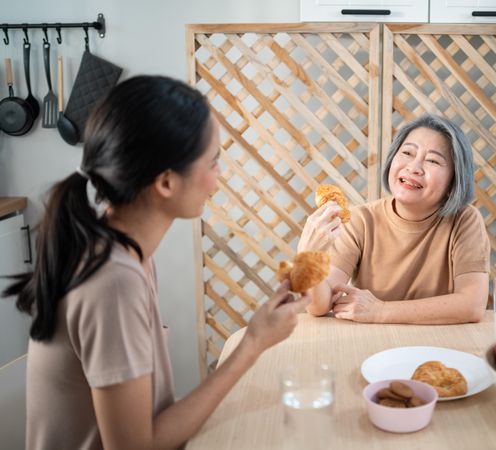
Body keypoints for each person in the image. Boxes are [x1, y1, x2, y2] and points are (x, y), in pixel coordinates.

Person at [2, 76, 309, 450]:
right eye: (213, 162)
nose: (219, 177)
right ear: (165, 182)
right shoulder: (113, 281)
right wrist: (252, 345)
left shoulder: (123, 252)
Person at [297, 114, 490, 324]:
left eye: (433, 160)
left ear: (455, 179)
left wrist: (381, 311)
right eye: (407, 153)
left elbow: (472, 305)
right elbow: (318, 306)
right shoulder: (362, 220)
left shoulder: (464, 221)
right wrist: (307, 260)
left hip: (437, 345)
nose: (414, 167)